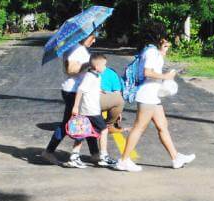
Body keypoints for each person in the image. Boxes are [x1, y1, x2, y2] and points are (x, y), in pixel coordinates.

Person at [115, 24, 195, 172]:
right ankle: (123, 160)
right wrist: (166, 76)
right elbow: (147, 72)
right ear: (158, 35)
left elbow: (153, 66)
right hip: (147, 95)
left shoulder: (151, 50)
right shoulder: (151, 52)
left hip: (152, 95)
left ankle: (175, 157)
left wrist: (162, 52)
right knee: (139, 127)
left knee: (162, 125)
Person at [40, 33, 105, 168]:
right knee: (70, 124)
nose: (94, 40)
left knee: (87, 122)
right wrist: (89, 63)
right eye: (92, 37)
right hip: (73, 91)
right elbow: (70, 70)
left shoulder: (79, 48)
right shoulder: (74, 49)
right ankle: (49, 151)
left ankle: (94, 153)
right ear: (85, 36)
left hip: (78, 90)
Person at [69, 53, 116, 168]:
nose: (105, 67)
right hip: (91, 110)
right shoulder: (90, 76)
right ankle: (104, 156)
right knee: (104, 130)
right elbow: (80, 90)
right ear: (96, 67)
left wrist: (100, 90)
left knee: (82, 133)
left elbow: (92, 87)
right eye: (103, 65)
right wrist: (75, 106)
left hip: (90, 110)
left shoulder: (96, 76)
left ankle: (74, 157)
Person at [99, 65, 125, 132]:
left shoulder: (90, 73)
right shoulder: (112, 74)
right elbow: (117, 94)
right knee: (118, 101)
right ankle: (109, 125)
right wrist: (118, 112)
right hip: (105, 101)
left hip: (89, 101)